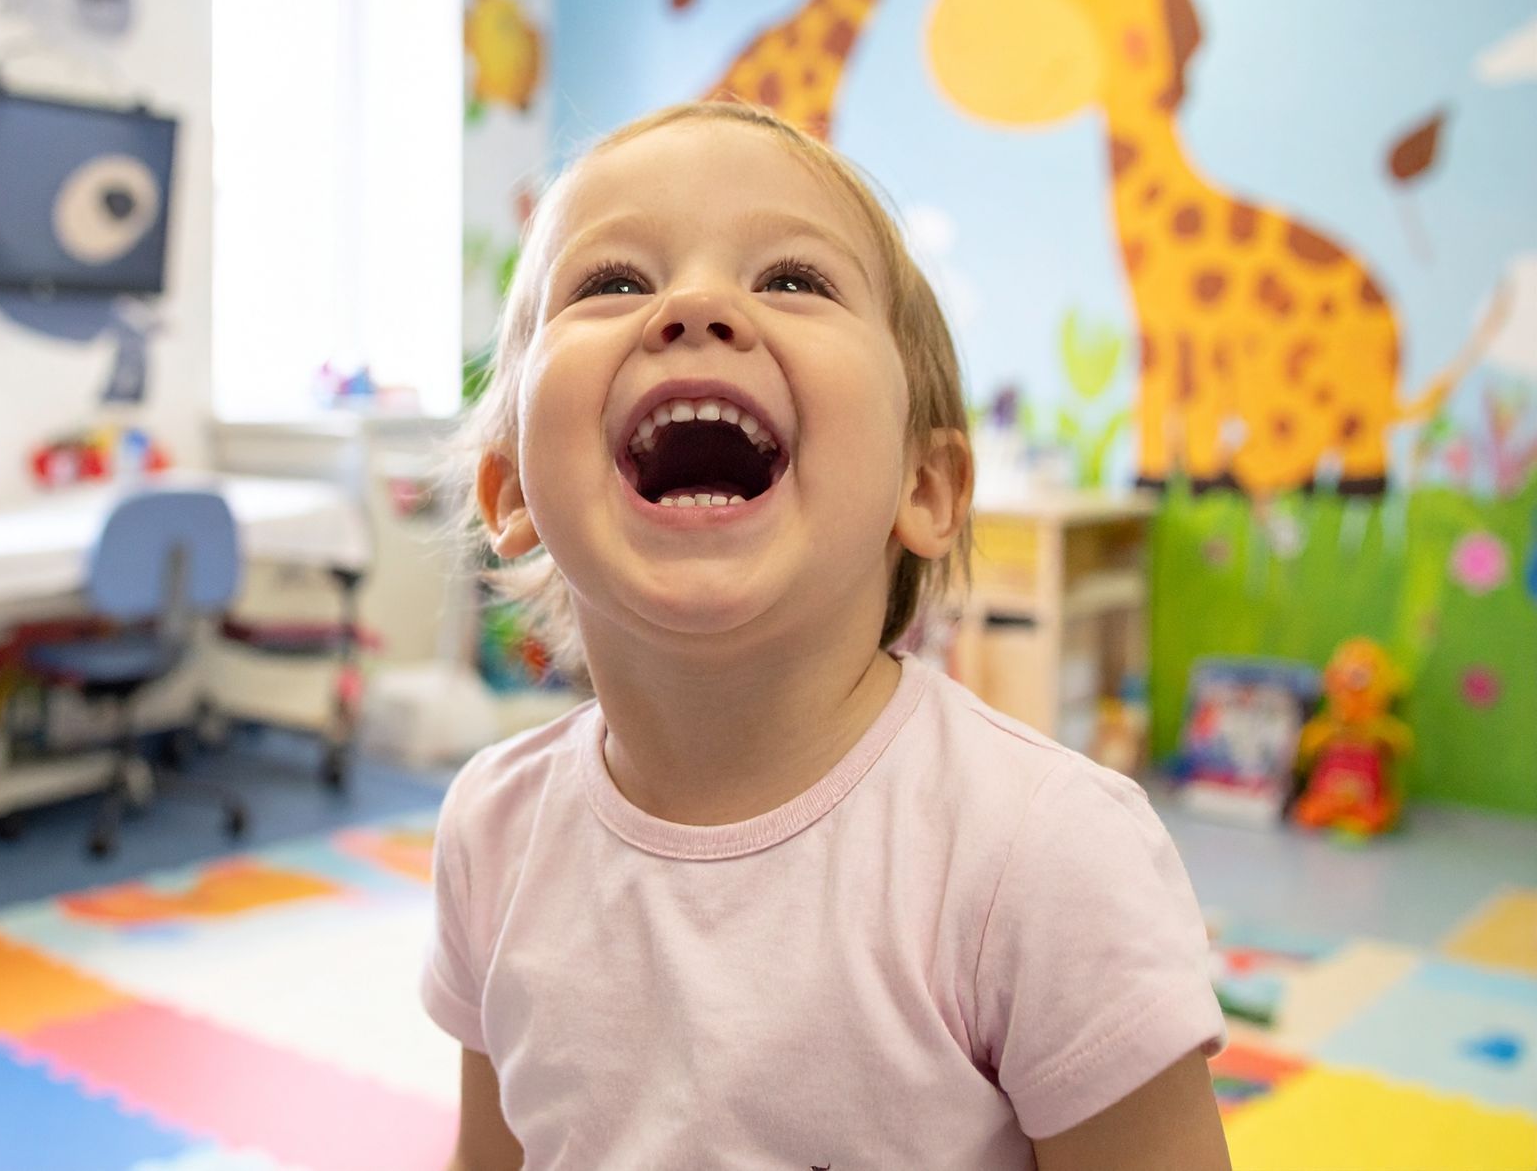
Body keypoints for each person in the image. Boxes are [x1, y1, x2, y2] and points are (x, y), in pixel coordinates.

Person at [426, 102, 1229, 1170]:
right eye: (612, 281)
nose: (696, 305)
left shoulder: (1039, 853)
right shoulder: (494, 829)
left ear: (926, 484)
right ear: (512, 487)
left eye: (792, 279)